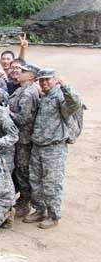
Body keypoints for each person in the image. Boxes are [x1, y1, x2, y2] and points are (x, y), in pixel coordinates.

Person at [25, 68, 82, 228]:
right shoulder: (44, 96)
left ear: (55, 80)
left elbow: (75, 103)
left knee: (51, 183)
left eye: (47, 79)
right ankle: (39, 210)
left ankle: (53, 215)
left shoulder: (60, 96)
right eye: (41, 80)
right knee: (35, 181)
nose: (44, 82)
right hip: (38, 145)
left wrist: (66, 85)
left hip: (54, 147)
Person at [8, 64, 40, 217]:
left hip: (24, 139)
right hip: (18, 137)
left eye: (24, 71)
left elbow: (23, 118)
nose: (20, 73)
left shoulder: (28, 92)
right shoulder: (22, 89)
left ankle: (26, 201)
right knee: (19, 170)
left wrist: (8, 113)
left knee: (23, 170)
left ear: (32, 76)